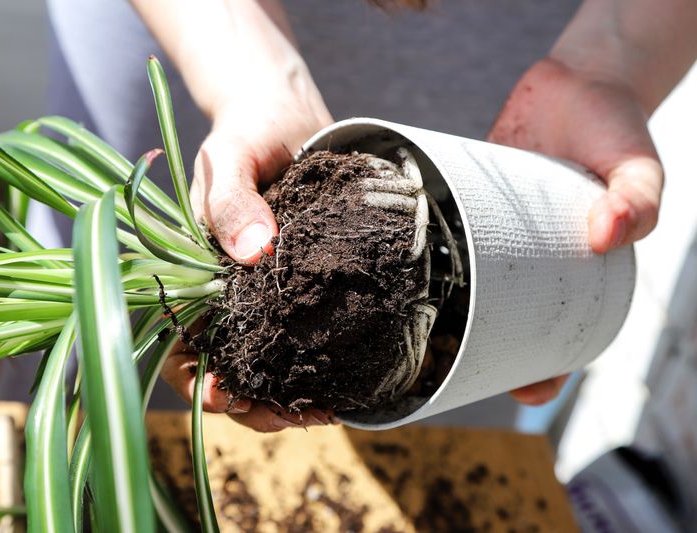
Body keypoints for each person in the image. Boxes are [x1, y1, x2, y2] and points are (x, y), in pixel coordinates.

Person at [42, 0, 697, 432]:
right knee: (98, 363)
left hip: (532, 49)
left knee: (454, 364)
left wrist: (610, 59)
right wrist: (247, 74)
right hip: (201, 26)